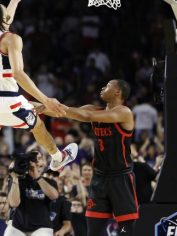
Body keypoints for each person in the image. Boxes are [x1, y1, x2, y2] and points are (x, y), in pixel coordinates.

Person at [0, 0, 78, 221]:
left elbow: (5, 19)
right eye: (6, 10)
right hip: (6, 100)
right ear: (2, 18)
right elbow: (19, 74)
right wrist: (46, 99)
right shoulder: (12, 39)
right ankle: (57, 157)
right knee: (38, 124)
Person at [37, 79, 138, 236]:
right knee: (93, 231)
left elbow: (87, 115)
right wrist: (38, 107)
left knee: (126, 232)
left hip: (120, 177)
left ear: (118, 92)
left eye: (108, 86)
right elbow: (66, 112)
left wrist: (53, 106)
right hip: (99, 178)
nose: (103, 87)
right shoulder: (95, 109)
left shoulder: (124, 112)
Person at [4, 151, 58, 236]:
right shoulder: (18, 180)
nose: (36, 162)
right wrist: (14, 177)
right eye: (32, 159)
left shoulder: (50, 182)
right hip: (18, 226)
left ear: (43, 164)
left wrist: (37, 177)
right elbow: (14, 203)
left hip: (42, 226)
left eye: (39, 158)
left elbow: (54, 196)